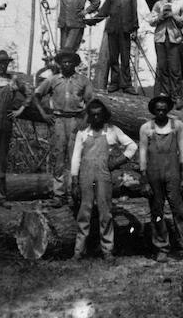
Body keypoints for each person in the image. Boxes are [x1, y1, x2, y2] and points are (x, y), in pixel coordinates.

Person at [0, 50, 52, 207]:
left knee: (1, 160)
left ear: (7, 64)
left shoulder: (13, 81)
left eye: (5, 64)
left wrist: (20, 110)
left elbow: (30, 94)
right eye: (0, 64)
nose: (3, 66)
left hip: (5, 123)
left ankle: (1, 197)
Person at [70, 99, 137, 262]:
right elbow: (76, 157)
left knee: (105, 212)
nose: (96, 118)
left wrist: (117, 162)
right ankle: (79, 251)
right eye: (93, 115)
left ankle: (107, 250)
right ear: (89, 116)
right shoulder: (82, 134)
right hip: (85, 175)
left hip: (103, 175)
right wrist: (74, 180)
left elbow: (132, 146)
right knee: (84, 211)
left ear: (104, 115)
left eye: (99, 115)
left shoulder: (112, 131)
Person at [35, 48, 93, 207]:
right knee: (58, 157)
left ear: (74, 64)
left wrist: (85, 120)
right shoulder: (53, 80)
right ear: (60, 64)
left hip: (76, 121)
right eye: (64, 62)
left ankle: (73, 193)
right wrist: (44, 115)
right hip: (59, 121)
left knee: (75, 158)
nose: (67, 64)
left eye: (70, 62)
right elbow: (36, 95)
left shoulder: (83, 80)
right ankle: (59, 194)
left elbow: (91, 103)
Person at [139, 95, 183, 261]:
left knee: (178, 210)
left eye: (164, 109)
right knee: (157, 212)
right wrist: (144, 179)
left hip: (173, 172)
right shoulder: (146, 128)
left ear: (168, 109)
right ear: (153, 110)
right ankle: (162, 246)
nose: (161, 112)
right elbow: (142, 153)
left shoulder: (177, 126)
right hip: (153, 173)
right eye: (158, 110)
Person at [87, 0, 139, 94]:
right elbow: (103, 12)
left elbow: (134, 13)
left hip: (126, 31)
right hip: (113, 30)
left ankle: (127, 85)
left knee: (125, 59)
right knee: (114, 58)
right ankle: (114, 83)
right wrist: (93, 20)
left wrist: (135, 29)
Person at [146, 0, 183, 111]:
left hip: (174, 39)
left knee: (175, 69)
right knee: (163, 67)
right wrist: (160, 16)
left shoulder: (181, 3)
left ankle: (177, 97)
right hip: (160, 38)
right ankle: (165, 95)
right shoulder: (158, 4)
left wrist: (173, 16)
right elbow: (150, 20)